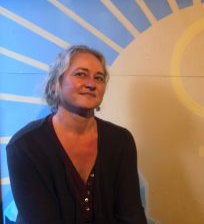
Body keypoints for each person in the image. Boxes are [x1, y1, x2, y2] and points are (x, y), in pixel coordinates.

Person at [6, 45, 147, 224]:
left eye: (99, 77)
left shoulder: (121, 141)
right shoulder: (25, 146)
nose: (91, 84)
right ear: (54, 85)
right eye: (81, 74)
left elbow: (131, 214)